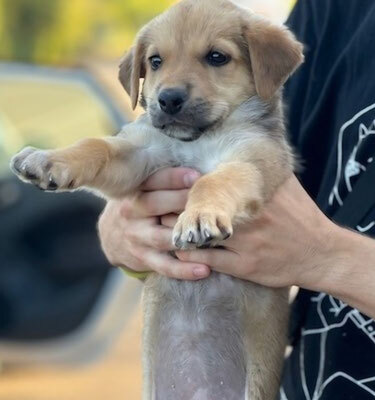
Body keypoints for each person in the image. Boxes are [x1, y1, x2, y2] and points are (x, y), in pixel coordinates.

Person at [98, 0, 375, 398]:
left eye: (215, 56)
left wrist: (326, 257)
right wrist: (132, 231)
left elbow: (301, 238)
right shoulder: (334, 11)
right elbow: (262, 178)